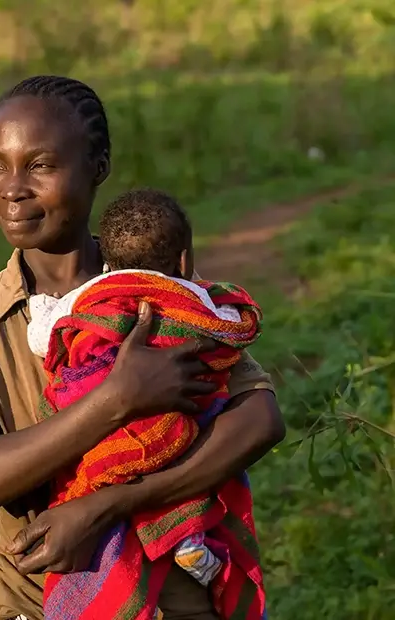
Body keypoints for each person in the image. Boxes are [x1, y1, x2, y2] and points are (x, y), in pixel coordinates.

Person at [0, 75, 285, 620]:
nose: (11, 187)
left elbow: (258, 420)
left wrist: (110, 503)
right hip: (32, 603)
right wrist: (116, 398)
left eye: (40, 165)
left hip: (178, 603)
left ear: (98, 169)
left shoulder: (155, 289)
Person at [25, 188, 265, 620]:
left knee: (104, 465)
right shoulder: (193, 299)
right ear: (185, 260)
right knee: (200, 448)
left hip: (111, 437)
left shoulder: (94, 295)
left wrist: (42, 309)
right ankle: (189, 539)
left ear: (108, 260)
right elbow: (230, 326)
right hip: (179, 422)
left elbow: (47, 336)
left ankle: (160, 548)